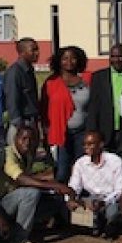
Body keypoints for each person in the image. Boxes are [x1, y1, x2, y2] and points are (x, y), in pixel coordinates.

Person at [0, 125, 71, 243]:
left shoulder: (28, 154)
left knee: (53, 201)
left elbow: (32, 177)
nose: (27, 142)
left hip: (12, 198)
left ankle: (20, 228)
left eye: (31, 139)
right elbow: (22, 179)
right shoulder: (8, 155)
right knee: (31, 193)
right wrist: (54, 185)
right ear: (15, 139)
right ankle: (19, 240)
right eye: (23, 138)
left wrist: (54, 185)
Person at [39, 45, 92, 182]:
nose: (69, 61)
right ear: (59, 61)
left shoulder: (87, 79)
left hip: (83, 132)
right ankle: (61, 199)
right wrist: (46, 132)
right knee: (62, 171)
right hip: (60, 133)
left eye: (73, 58)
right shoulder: (51, 83)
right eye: (65, 58)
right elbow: (44, 109)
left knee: (82, 168)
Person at [66, 130, 122, 237]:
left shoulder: (115, 161)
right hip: (90, 198)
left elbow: (119, 190)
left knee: (112, 214)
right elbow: (74, 186)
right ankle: (93, 226)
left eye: (90, 144)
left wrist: (103, 202)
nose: (86, 147)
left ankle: (110, 226)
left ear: (101, 144)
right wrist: (71, 199)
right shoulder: (80, 163)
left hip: (110, 199)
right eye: (84, 144)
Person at [3, 38, 41, 144]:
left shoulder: (29, 70)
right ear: (22, 52)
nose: (37, 53)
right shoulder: (15, 73)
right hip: (21, 123)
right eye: (33, 50)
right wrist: (19, 126)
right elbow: (12, 100)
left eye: (37, 49)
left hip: (32, 121)